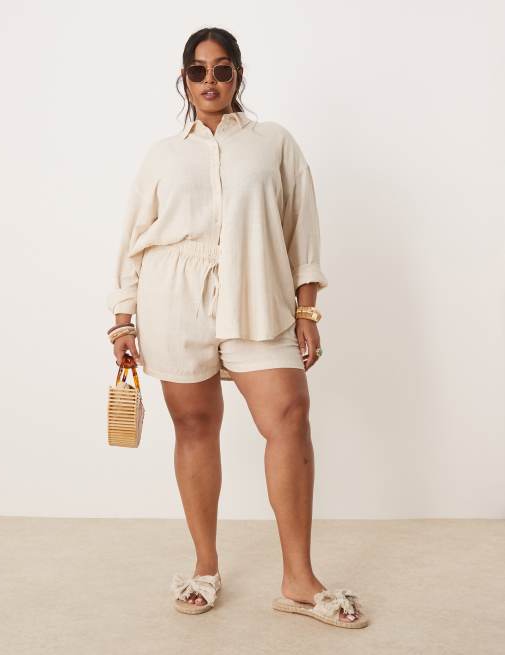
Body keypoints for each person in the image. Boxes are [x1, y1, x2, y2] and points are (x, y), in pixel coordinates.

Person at [106, 27, 368, 628]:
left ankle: (298, 580)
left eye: (222, 70)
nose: (210, 81)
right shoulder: (163, 155)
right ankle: (205, 567)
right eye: (198, 71)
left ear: (238, 76)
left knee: (290, 416)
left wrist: (306, 309)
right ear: (184, 80)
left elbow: (302, 227)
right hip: (174, 298)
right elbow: (133, 238)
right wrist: (122, 319)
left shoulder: (273, 143)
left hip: (258, 294)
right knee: (194, 425)